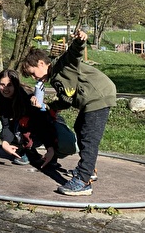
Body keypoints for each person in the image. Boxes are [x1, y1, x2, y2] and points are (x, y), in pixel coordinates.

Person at [21, 30, 116, 196]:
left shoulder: (60, 65)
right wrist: (48, 106)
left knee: (89, 136)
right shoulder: (56, 79)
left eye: (33, 73)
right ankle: (89, 168)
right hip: (92, 99)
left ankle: (83, 181)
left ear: (41, 64)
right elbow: (66, 100)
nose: (34, 78)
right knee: (80, 127)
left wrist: (79, 41)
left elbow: (73, 54)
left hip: (98, 96)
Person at [0, 69, 59, 166]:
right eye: (2, 85)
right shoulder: (1, 99)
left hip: (38, 128)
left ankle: (52, 154)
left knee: (63, 142)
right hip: (20, 129)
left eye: (9, 85)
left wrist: (49, 147)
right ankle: (23, 150)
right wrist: (5, 143)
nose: (5, 89)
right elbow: (6, 126)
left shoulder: (27, 97)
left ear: (16, 85)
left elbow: (43, 125)